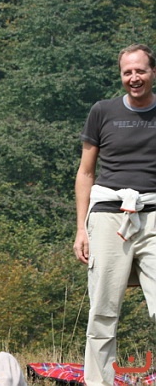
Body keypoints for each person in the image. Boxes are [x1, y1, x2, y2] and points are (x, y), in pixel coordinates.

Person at [73, 43, 156, 386]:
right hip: (108, 214)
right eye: (127, 72)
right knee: (103, 310)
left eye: (140, 71)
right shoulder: (102, 111)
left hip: (153, 212)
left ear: (153, 72)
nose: (134, 78)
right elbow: (85, 172)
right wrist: (81, 228)